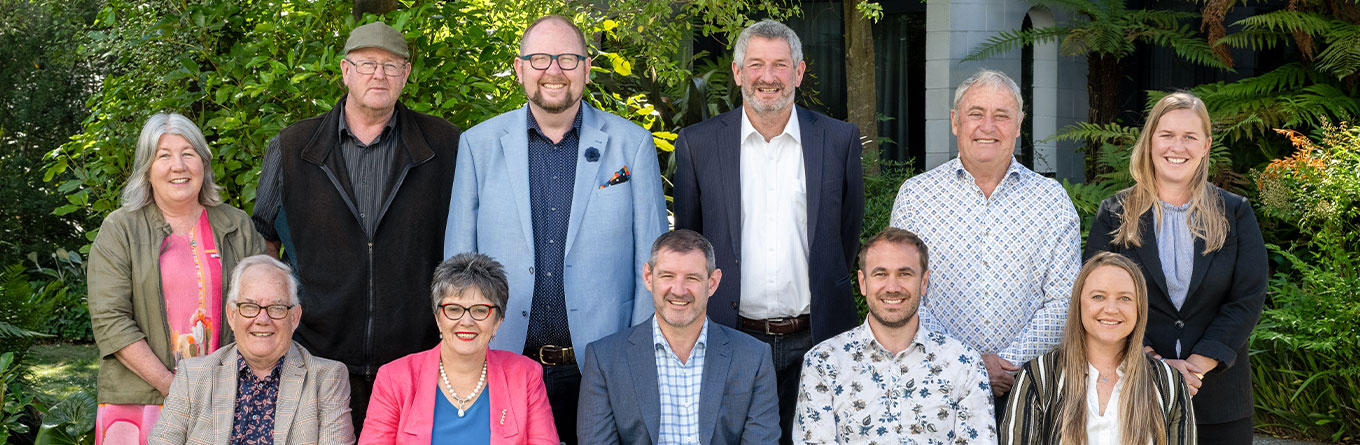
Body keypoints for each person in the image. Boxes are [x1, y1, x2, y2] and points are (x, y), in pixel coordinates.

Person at [442, 15, 667, 442]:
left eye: (567, 58)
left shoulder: (631, 144)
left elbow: (652, 265)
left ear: (586, 68)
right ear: (519, 67)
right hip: (504, 362)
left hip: (602, 368)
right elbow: (458, 267)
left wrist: (635, 358)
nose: (554, 71)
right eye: (540, 58)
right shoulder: (478, 145)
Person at [251, 21, 461, 429]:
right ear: (346, 71)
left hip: (415, 357)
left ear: (405, 76)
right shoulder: (293, 146)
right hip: (316, 358)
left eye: (391, 65)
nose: (378, 75)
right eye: (367, 64)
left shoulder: (446, 145)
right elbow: (266, 244)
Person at [671, 19, 865, 443]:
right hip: (730, 336)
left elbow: (846, 235)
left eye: (780, 65)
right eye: (756, 64)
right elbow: (689, 241)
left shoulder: (838, 140)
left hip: (819, 336)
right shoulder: (697, 144)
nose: (768, 77)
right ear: (739, 72)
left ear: (798, 72)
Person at [888, 69, 1080, 420]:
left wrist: (1007, 365)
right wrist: (968, 363)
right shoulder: (916, 197)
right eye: (976, 114)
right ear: (955, 122)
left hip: (1028, 392)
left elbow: (1066, 299)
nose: (987, 127)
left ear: (1020, 123)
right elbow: (901, 293)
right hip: (935, 385)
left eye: (1002, 116)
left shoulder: (1052, 201)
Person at [1083, 91, 1266, 443]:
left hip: (1219, 401)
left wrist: (1197, 365)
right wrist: (1154, 363)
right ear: (1150, 141)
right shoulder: (1114, 214)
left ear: (1206, 145)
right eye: (1166, 135)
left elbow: (1247, 298)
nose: (1176, 147)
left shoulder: (1235, 213)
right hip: (1134, 394)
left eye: (1189, 137)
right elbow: (1096, 302)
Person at [88, 112, 266, 444]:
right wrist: (176, 390)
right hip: (141, 400)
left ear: (203, 162)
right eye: (164, 155)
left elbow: (261, 310)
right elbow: (110, 321)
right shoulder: (119, 229)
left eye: (188, 153)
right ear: (147, 168)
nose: (178, 165)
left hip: (223, 401)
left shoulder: (236, 225)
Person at [578, 230, 780, 444]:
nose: (679, 290)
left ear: (712, 283)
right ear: (648, 277)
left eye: (692, 278)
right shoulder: (605, 360)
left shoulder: (753, 357)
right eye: (667, 276)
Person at [795, 227, 995, 444]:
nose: (892, 287)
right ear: (863, 282)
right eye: (880, 274)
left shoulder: (964, 364)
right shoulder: (823, 362)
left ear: (924, 282)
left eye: (905, 274)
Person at [150, 255, 354, 444]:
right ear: (231, 315)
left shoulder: (326, 380)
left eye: (276, 308)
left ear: (294, 317)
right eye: (249, 307)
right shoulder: (192, 376)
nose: (262, 320)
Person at [360, 253, 558, 444]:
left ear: (497, 321)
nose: (466, 321)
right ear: (438, 318)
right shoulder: (394, 379)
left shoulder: (525, 376)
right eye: (454, 309)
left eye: (480, 310)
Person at [1001, 252, 1197, 444]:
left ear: (1139, 308)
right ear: (1078, 304)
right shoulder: (1038, 378)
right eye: (1098, 297)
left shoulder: (1170, 384)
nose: (1111, 309)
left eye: (1125, 298)